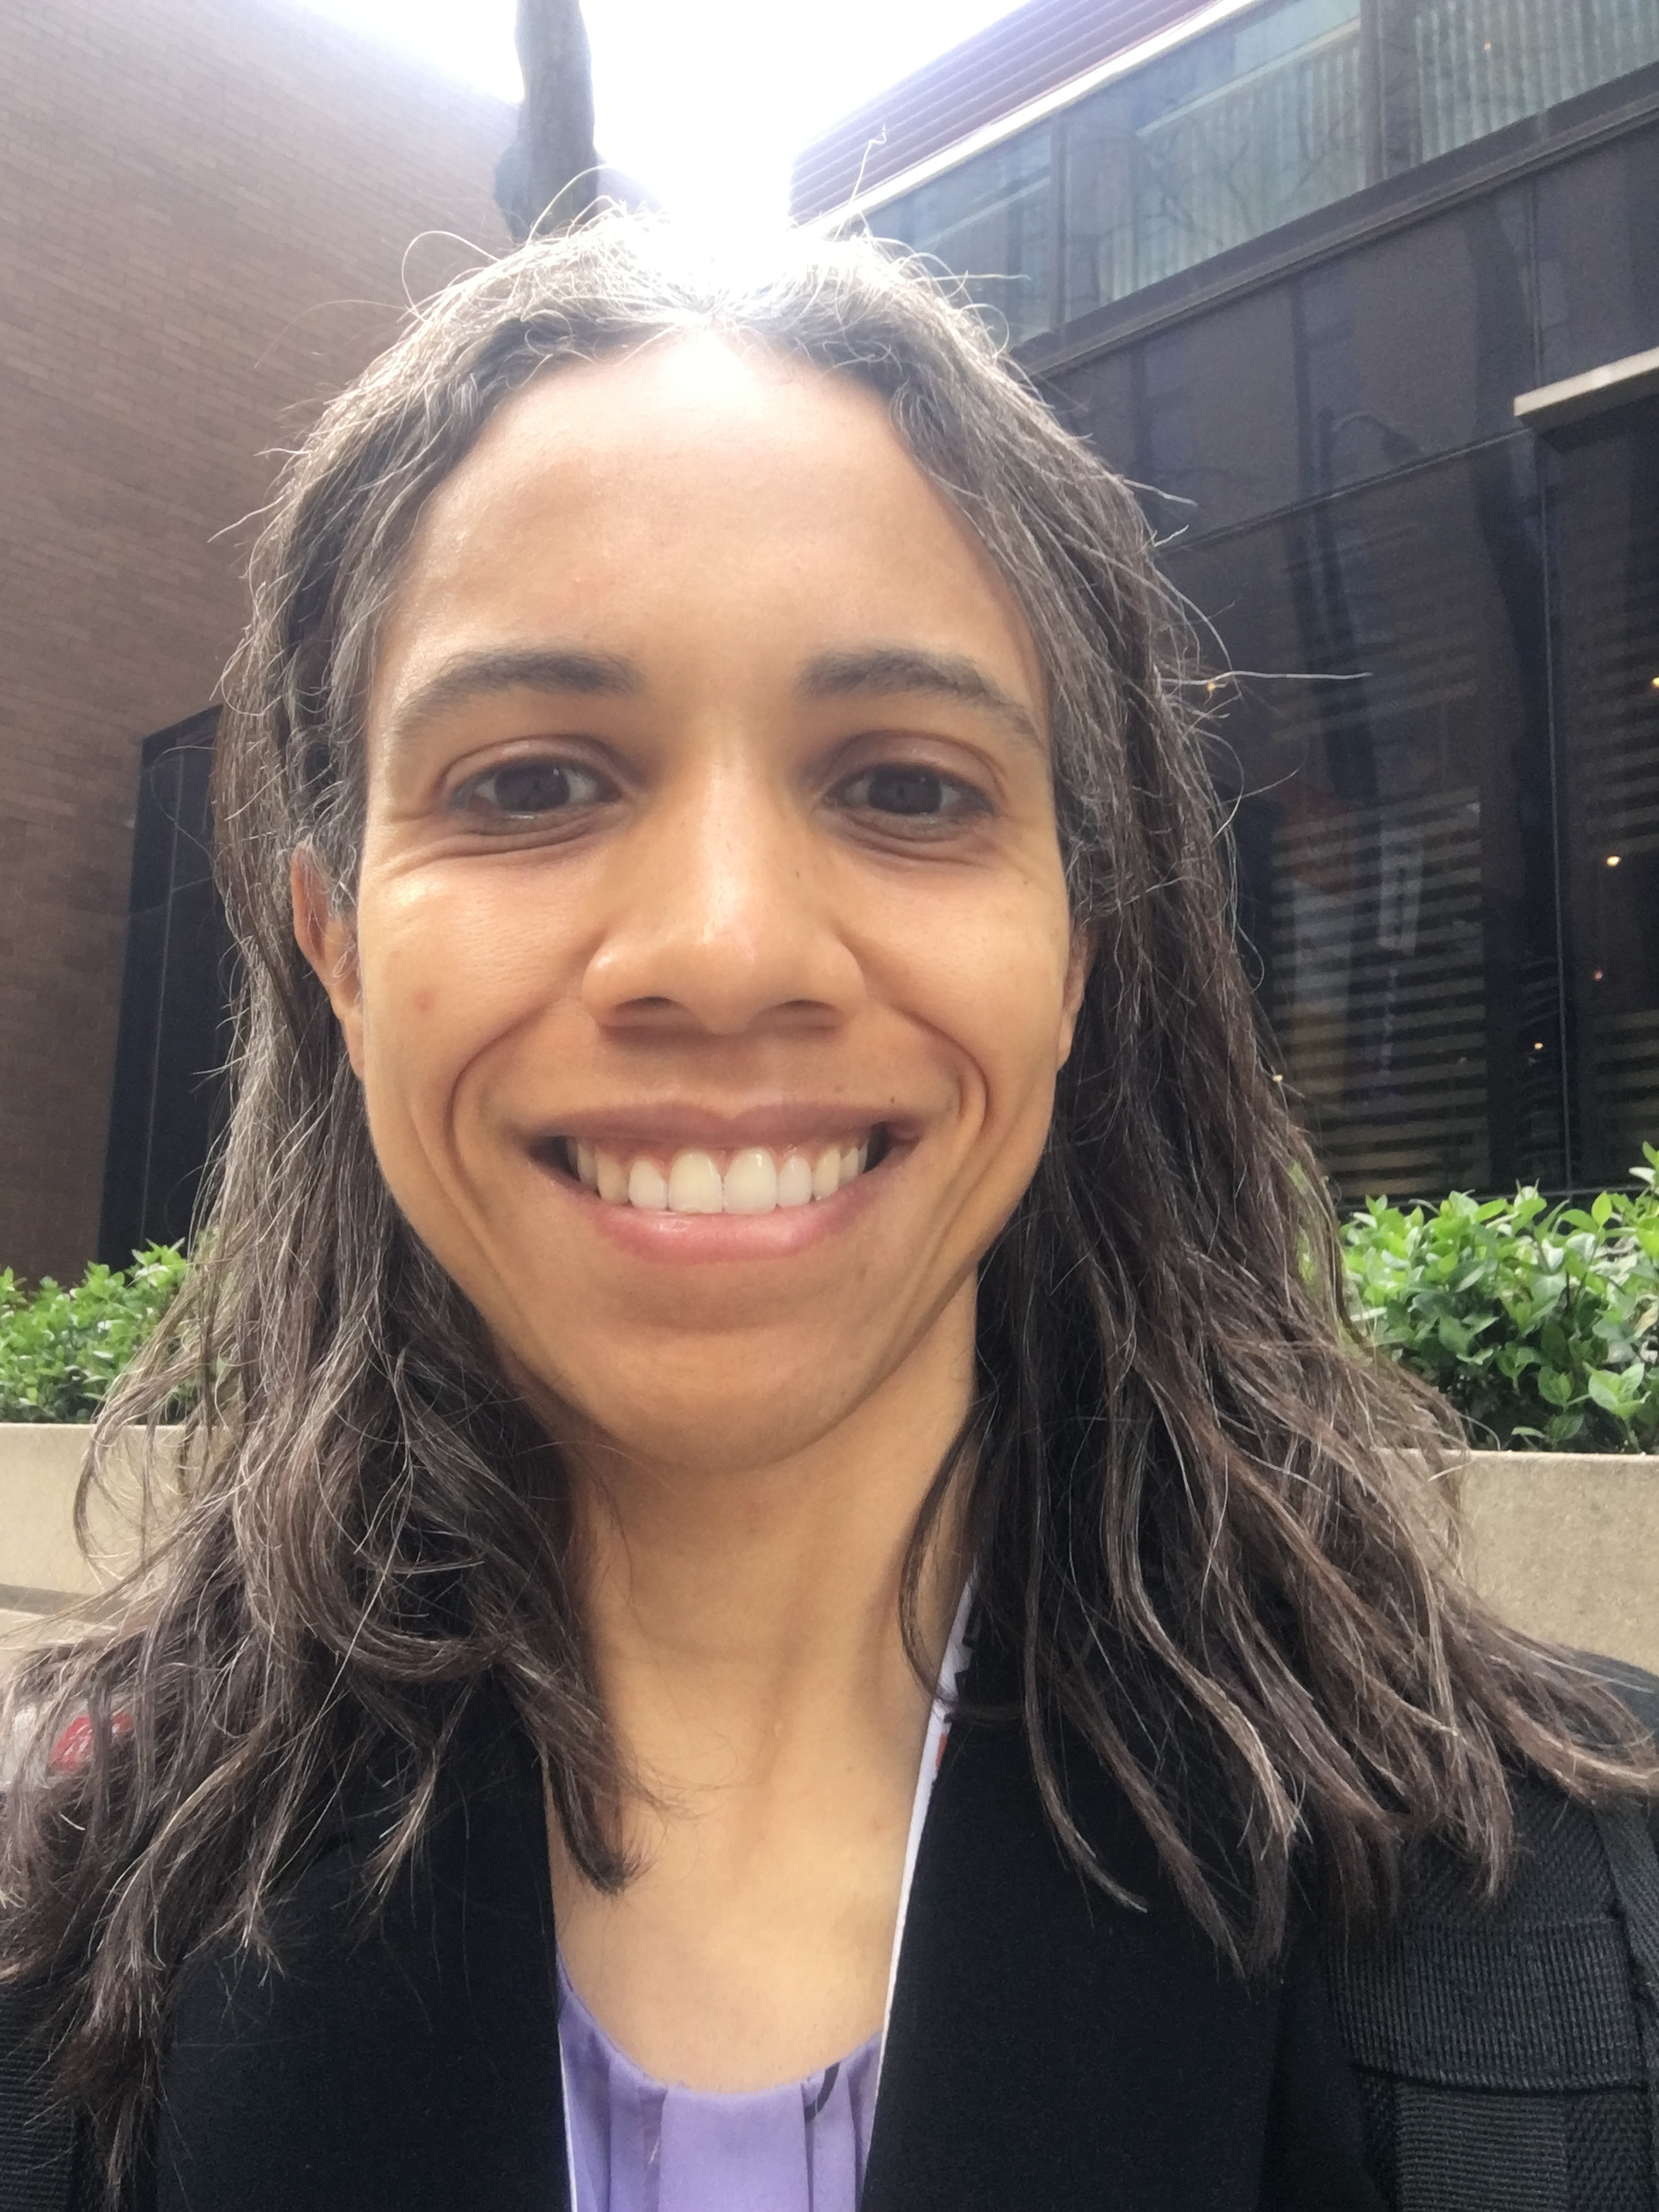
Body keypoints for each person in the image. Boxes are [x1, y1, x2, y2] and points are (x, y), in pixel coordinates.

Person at [3, 216, 1657, 2212]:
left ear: (1078, 953)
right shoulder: (48, 1938)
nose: (727, 950)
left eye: (907, 786)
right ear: (335, 948)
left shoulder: (1593, 1947)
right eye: (528, 784)